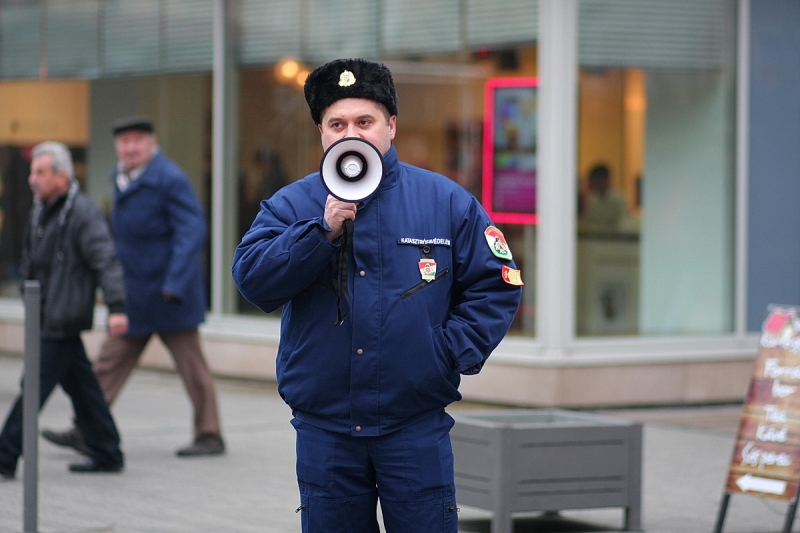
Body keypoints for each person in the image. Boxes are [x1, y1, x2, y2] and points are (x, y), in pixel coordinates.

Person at [232, 59, 523, 532]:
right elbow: (251, 279)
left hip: (414, 425)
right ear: (322, 134)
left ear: (390, 125)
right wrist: (319, 233)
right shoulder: (292, 205)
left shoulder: (446, 202)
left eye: (364, 121)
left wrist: (444, 354)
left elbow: (498, 283)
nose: (353, 133)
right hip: (326, 430)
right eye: (338, 123)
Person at [41, 116, 225, 458]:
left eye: (138, 140)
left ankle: (210, 435)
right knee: (108, 363)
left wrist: (174, 282)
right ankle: (86, 428)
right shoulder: (121, 178)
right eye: (125, 142)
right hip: (135, 294)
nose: (131, 147)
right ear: (117, 147)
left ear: (152, 144)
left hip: (171, 295)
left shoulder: (169, 179)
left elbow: (192, 230)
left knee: (192, 367)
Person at [0, 142, 127, 479]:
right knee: (83, 388)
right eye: (32, 171)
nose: (32, 179)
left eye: (40, 172)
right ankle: (107, 450)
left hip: (62, 317)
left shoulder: (81, 212)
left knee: (33, 388)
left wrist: (117, 307)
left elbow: (106, 259)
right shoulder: (41, 209)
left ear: (62, 176)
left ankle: (4, 455)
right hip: (44, 316)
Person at [579, 163, 633, 234]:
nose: (590, 183)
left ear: (603, 180)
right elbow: (587, 222)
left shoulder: (618, 199)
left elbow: (622, 225)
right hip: (593, 240)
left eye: (593, 180)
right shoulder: (592, 198)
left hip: (611, 241)